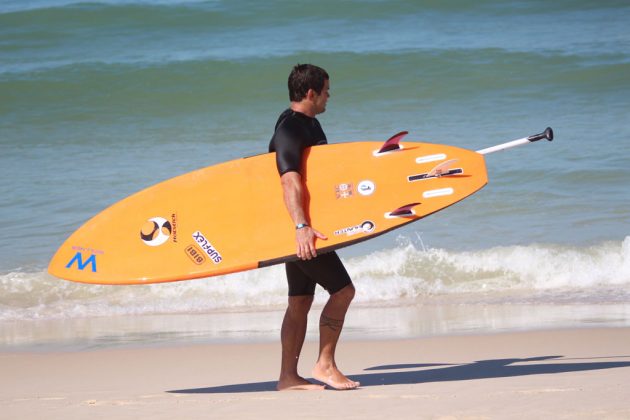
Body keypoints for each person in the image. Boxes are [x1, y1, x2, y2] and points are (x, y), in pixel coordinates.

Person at [269, 64, 360, 391]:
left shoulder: (304, 124)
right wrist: (302, 226)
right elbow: (289, 179)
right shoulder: (291, 129)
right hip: (303, 228)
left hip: (299, 227)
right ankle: (325, 364)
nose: (328, 97)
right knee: (343, 291)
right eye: (326, 91)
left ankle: (287, 377)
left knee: (299, 301)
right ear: (311, 93)